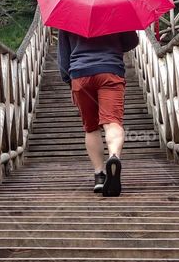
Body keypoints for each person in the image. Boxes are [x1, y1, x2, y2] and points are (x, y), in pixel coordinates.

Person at [57, 28, 139, 196]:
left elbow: (63, 55)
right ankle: (114, 156)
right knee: (112, 122)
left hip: (80, 74)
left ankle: (99, 176)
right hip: (110, 70)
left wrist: (69, 80)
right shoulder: (116, 8)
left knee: (91, 127)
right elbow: (131, 42)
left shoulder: (69, 13)